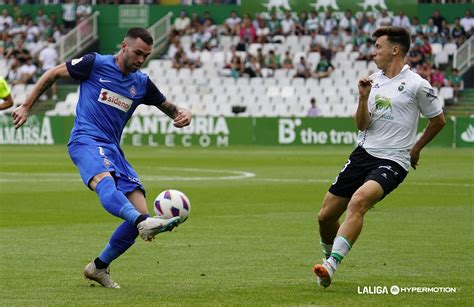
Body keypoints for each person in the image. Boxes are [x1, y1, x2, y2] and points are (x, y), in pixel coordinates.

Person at [12, 28, 192, 289]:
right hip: (85, 140)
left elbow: (171, 109)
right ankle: (144, 223)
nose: (141, 59)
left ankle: (98, 267)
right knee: (120, 199)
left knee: (137, 213)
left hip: (113, 150)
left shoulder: (141, 83)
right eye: (137, 53)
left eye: (146, 55)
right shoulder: (94, 64)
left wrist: (183, 113)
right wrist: (26, 106)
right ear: (124, 46)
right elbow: (52, 74)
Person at [312, 27, 446, 288]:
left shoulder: (418, 84)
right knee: (325, 217)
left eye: (378, 46)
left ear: (395, 49)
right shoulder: (373, 81)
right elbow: (362, 125)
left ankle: (331, 265)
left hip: (393, 160)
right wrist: (363, 99)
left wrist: (416, 148)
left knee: (359, 201)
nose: (374, 51)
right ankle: (327, 259)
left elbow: (438, 120)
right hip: (363, 153)